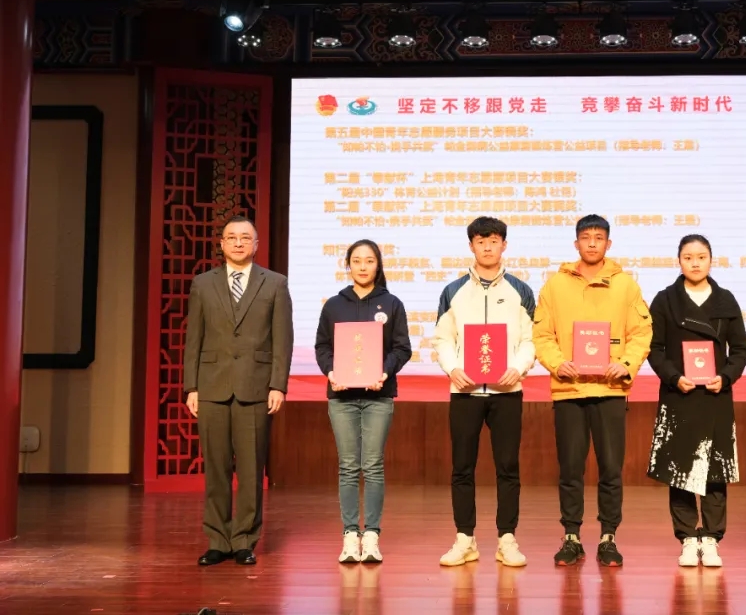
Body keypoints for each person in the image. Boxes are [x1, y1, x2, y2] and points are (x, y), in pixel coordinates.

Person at [533, 214, 653, 567]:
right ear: (576, 243)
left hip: (610, 390)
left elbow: (641, 333)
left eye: (599, 237)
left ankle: (608, 536)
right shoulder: (555, 285)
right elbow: (542, 334)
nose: (592, 243)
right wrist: (558, 363)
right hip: (569, 390)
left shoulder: (626, 285)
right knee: (570, 469)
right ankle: (571, 536)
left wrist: (626, 364)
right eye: (586, 237)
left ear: (608, 244)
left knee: (611, 469)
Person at [183, 215, 294, 567]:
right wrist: (191, 386)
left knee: (250, 469)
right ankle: (218, 539)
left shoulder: (275, 283)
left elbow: (283, 339)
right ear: (221, 244)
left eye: (245, 237)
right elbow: (193, 339)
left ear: (256, 244)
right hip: (211, 385)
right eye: (231, 237)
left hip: (256, 386)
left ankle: (244, 539)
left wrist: (278, 384)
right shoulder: (203, 284)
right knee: (216, 468)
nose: (238, 243)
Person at [432, 216, 536, 568]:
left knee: (508, 467)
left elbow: (530, 340)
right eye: (480, 241)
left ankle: (507, 539)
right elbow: (443, 339)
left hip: (507, 391)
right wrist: (453, 368)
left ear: (504, 245)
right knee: (462, 467)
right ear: (471, 246)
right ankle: (465, 539)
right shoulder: (453, 290)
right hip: (465, 392)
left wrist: (517, 368)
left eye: (494, 241)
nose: (487, 247)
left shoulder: (521, 290)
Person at [646, 234, 746, 568]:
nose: (695, 263)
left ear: (710, 260)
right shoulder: (665, 300)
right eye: (688, 257)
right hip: (680, 394)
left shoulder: (725, 300)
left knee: (716, 470)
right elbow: (654, 348)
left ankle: (713, 538)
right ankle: (688, 538)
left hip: (716, 395)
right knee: (680, 470)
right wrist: (674, 376)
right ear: (679, 261)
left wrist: (727, 376)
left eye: (701, 257)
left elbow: (740, 349)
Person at [314, 239, 412, 564]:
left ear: (378, 265)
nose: (362, 266)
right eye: (356, 261)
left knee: (372, 465)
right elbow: (322, 347)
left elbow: (402, 348)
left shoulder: (392, 303)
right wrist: (331, 372)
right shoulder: (334, 306)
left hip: (378, 396)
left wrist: (384, 371)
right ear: (348, 265)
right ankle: (349, 535)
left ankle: (371, 535)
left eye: (369, 261)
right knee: (347, 466)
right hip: (341, 396)